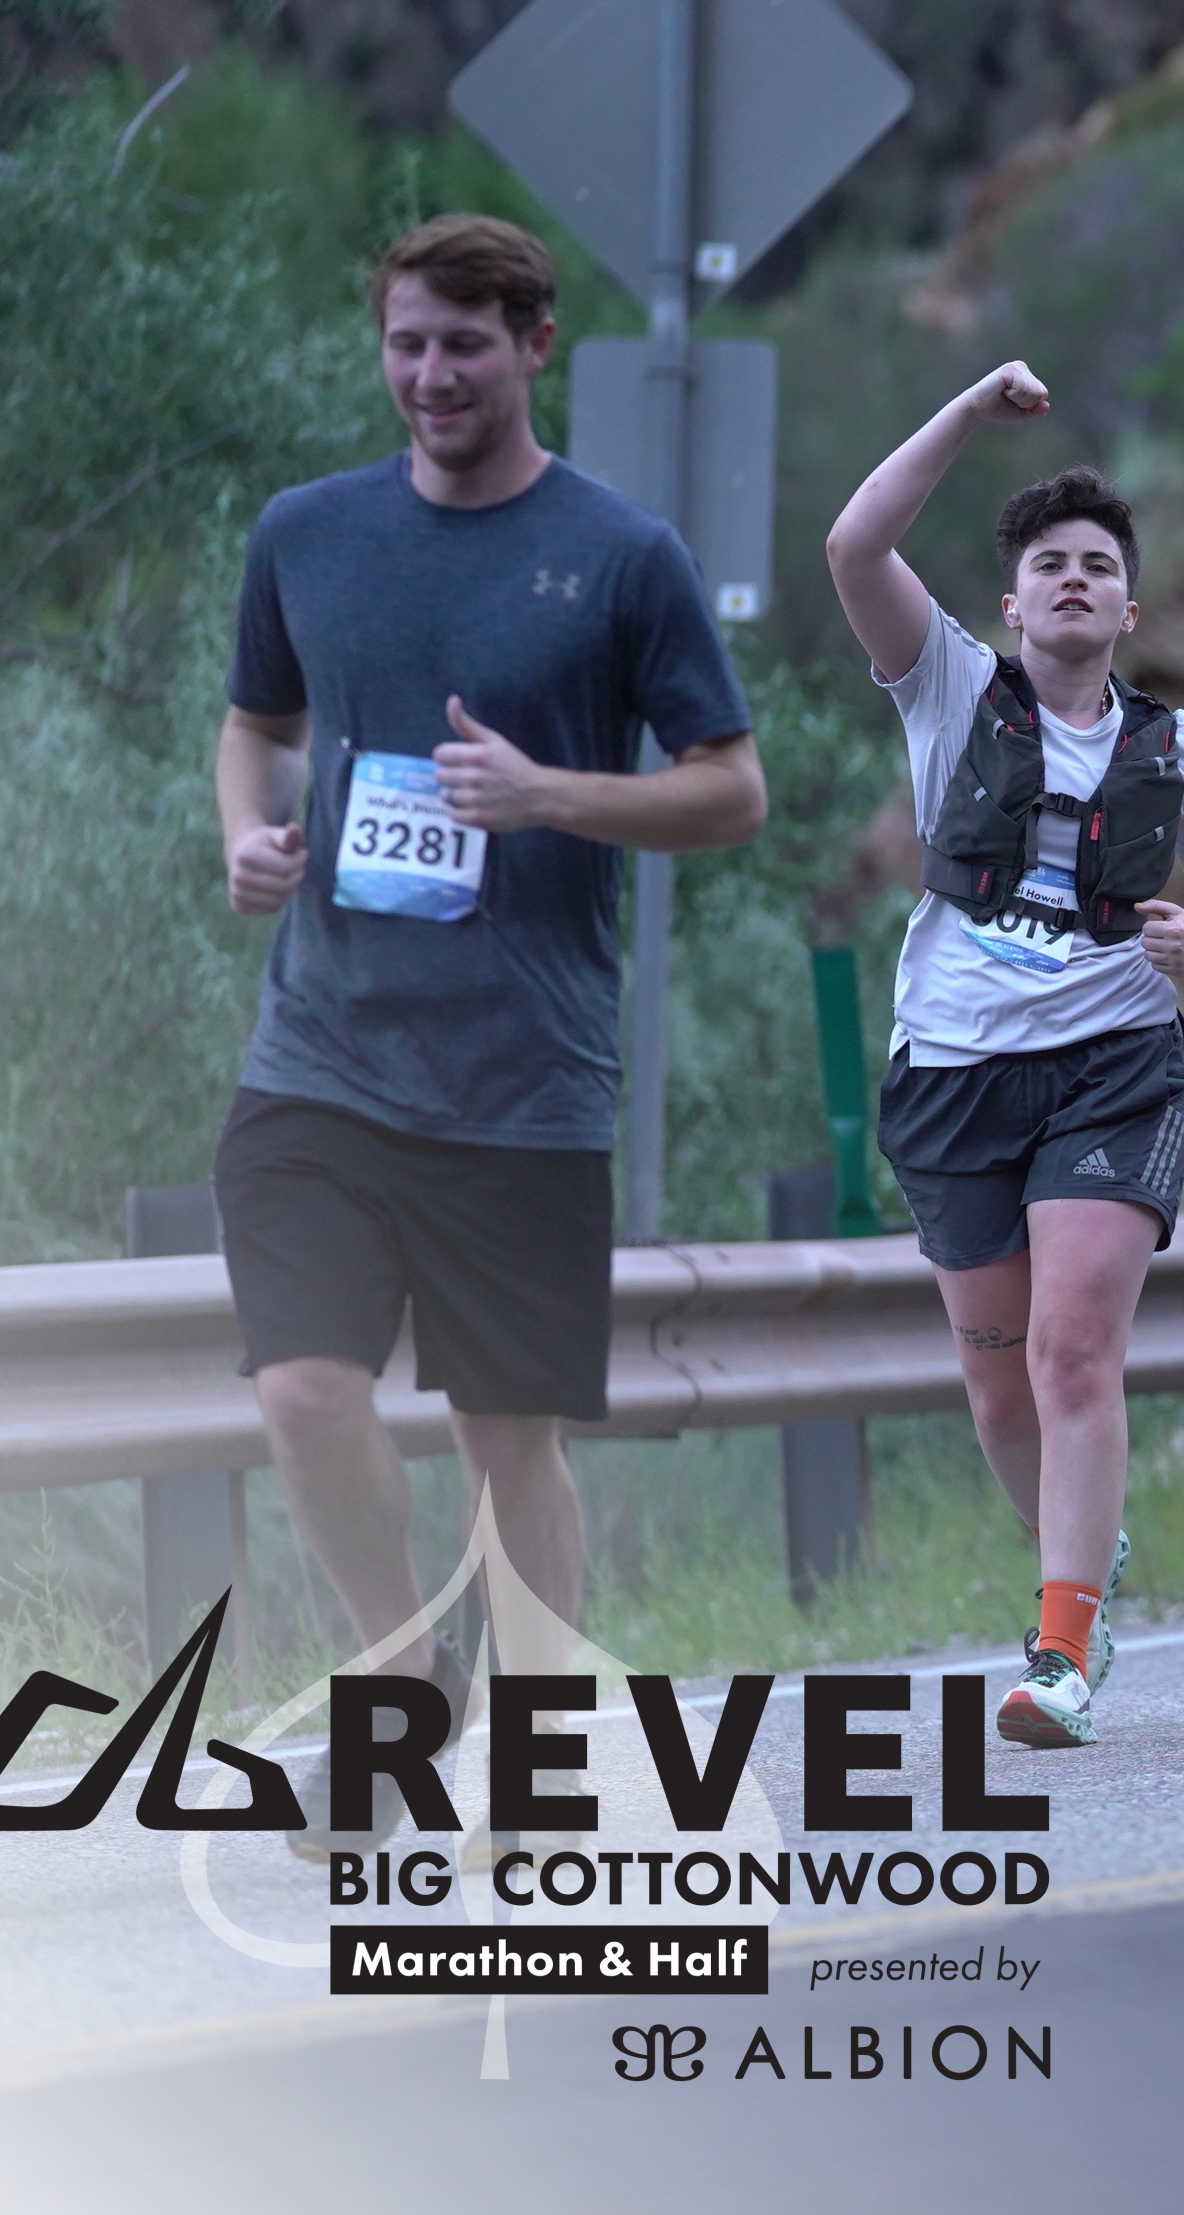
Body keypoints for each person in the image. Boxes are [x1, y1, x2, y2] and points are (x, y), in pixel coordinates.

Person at [212, 215, 764, 1852]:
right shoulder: (309, 532)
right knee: (303, 1392)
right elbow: (257, 725)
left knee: (504, 1437)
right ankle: (399, 1689)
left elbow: (730, 789)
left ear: (533, 344)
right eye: (407, 343)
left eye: (464, 342)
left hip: (523, 1073)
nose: (432, 374)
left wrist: (549, 796)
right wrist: (247, 833)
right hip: (321, 1053)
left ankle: (536, 1754)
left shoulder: (619, 554)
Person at [826, 364, 1184, 1749]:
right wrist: (965, 412)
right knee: (999, 1375)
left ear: (1128, 608)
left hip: (1113, 1063)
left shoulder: (1176, 744)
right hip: (954, 1070)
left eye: (1099, 566)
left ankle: (1063, 1651)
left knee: (1074, 1352)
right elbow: (856, 544)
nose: (1074, 579)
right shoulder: (949, 687)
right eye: (1048, 565)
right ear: (1011, 604)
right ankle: (1082, 1554)